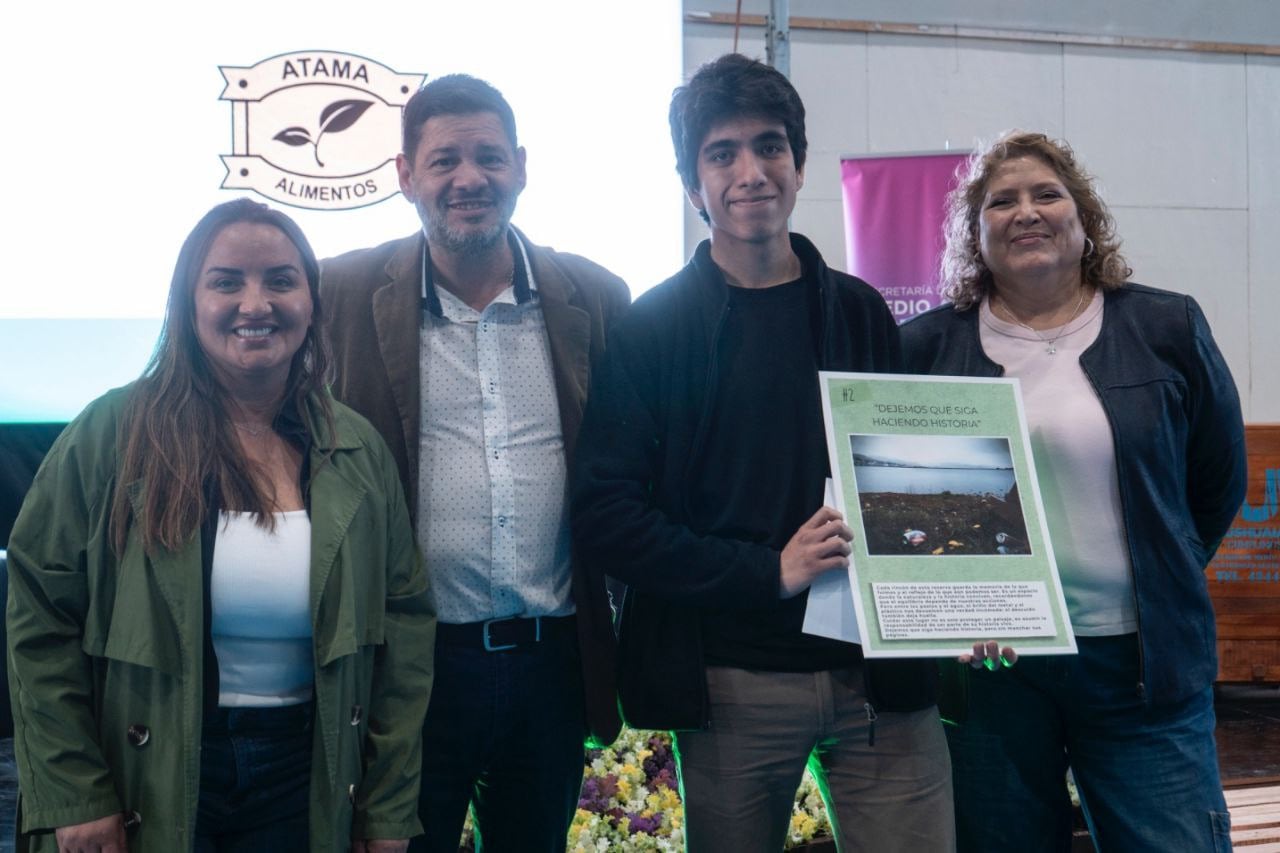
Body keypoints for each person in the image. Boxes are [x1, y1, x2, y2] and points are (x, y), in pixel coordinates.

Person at [571, 54, 954, 852]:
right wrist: (766, 571)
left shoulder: (860, 311)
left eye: (770, 146)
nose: (751, 172)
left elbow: (911, 480)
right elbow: (608, 515)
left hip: (881, 684)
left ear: (800, 162)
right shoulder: (651, 331)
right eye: (722, 153)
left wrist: (971, 592)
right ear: (692, 185)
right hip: (730, 683)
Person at [5, 198, 434, 852]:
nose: (255, 302)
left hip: (308, 776)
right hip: (146, 773)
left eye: (281, 280)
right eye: (227, 280)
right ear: (187, 303)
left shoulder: (358, 449)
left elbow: (404, 631)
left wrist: (386, 809)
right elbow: (39, 618)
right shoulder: (110, 435)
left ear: (313, 303)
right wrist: (75, 792)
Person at [901, 130, 1246, 852]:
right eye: (1002, 201)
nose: (1026, 211)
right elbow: (904, 503)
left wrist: (1162, 570)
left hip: (1143, 666)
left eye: (1046, 194)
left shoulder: (1165, 326)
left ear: (1084, 220)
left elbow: (1217, 480)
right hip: (995, 672)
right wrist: (950, 609)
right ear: (975, 234)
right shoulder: (927, 348)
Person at [321, 74, 630, 852]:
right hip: (415, 666)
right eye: (444, 160)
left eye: (489, 157)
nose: (469, 179)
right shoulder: (341, 294)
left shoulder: (593, 297)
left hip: (550, 662)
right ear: (404, 176)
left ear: (521, 166)